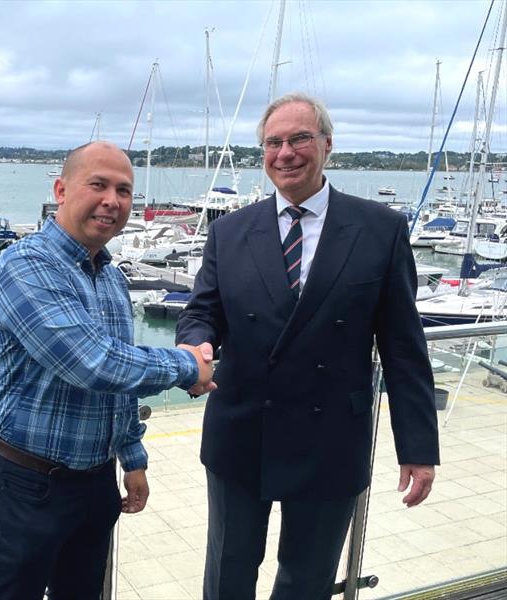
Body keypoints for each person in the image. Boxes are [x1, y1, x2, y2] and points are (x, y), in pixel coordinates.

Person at [175, 93, 440, 600]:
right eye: (273, 142)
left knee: (307, 582)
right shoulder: (229, 230)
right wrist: (197, 346)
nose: (285, 153)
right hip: (241, 431)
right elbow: (201, 311)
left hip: (330, 438)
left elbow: (404, 349)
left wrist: (419, 447)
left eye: (299, 138)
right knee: (228, 576)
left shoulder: (380, 229)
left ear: (327, 145)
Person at [0, 141, 215, 600]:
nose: (113, 200)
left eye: (124, 190)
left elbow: (118, 380)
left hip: (94, 480)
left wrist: (132, 457)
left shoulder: (109, 275)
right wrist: (188, 364)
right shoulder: (25, 266)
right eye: (99, 184)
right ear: (61, 189)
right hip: (25, 481)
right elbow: (93, 364)